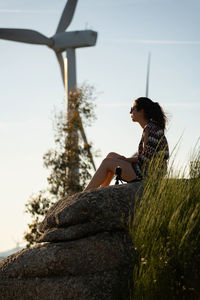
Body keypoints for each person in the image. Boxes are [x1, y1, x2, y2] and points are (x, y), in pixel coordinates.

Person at [84, 97, 169, 191]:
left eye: (132, 109)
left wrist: (126, 159)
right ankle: (102, 190)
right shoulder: (153, 127)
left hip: (147, 174)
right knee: (111, 155)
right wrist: (125, 160)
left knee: (107, 162)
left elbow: (146, 158)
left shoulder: (149, 129)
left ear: (141, 111)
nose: (130, 112)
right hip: (151, 171)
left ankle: (86, 193)